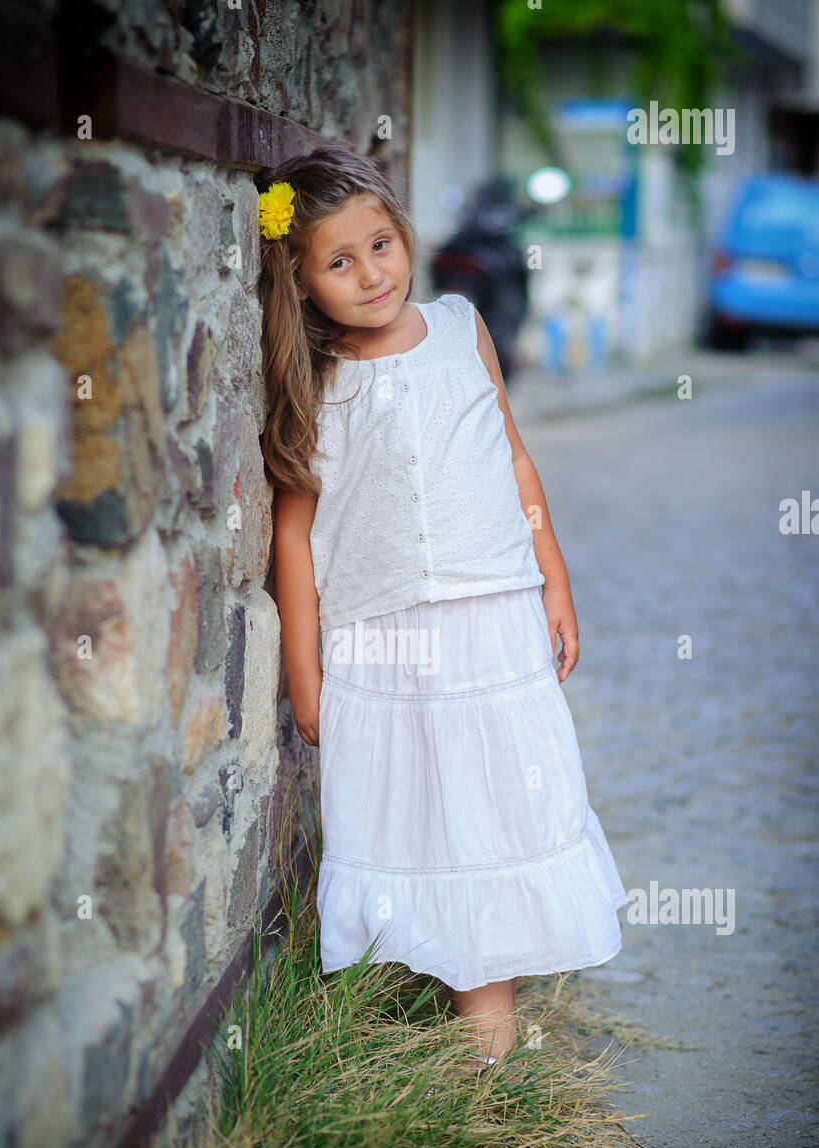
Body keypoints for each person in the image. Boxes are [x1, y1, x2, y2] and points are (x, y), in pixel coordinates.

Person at [256, 145, 628, 1076]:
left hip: (491, 615)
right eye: (338, 262)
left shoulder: (461, 326)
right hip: (379, 638)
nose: (371, 273)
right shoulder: (316, 379)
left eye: (380, 244)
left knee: (492, 808)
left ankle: (483, 1048)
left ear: (403, 234)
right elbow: (294, 537)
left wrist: (553, 574)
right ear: (301, 281)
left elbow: (510, 457)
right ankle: (420, 1001)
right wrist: (305, 674)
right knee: (412, 815)